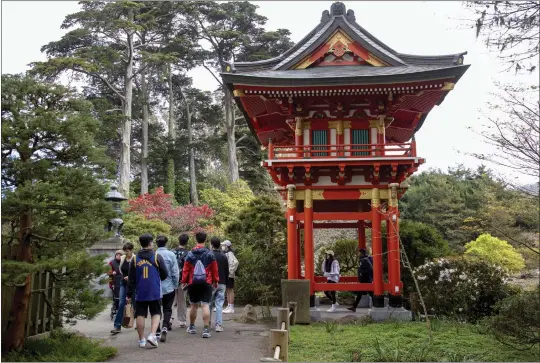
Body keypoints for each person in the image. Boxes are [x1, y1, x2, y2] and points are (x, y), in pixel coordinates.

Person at [127, 233, 168, 348]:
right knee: (156, 313)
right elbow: (165, 274)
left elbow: (131, 279)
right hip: (154, 290)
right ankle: (153, 335)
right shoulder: (156, 256)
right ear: (150, 243)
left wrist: (129, 294)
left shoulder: (135, 259)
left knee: (140, 314)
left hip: (140, 291)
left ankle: (141, 340)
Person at [181, 231, 219, 338]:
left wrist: (184, 281)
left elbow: (185, 269)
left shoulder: (190, 254)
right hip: (206, 281)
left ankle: (192, 327)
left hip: (193, 282)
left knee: (193, 305)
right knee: (205, 305)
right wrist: (215, 281)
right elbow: (214, 269)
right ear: (205, 240)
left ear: (195, 240)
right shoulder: (210, 254)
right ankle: (206, 329)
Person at [155, 235, 179, 343]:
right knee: (167, 308)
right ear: (166, 243)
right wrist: (175, 284)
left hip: (155, 287)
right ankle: (165, 326)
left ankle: (157, 328)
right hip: (168, 287)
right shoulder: (171, 254)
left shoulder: (153, 255)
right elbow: (175, 272)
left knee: (156, 309)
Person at [111, 242, 135, 334]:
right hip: (123, 283)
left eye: (127, 251)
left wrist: (130, 277)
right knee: (121, 303)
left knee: (135, 304)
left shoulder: (135, 258)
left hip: (133, 284)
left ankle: (138, 324)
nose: (126, 253)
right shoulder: (123, 258)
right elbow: (120, 269)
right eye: (125, 251)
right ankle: (117, 326)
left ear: (131, 250)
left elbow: (138, 272)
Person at [209, 237, 228, 332]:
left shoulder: (209, 255)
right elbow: (226, 270)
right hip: (222, 282)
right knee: (219, 304)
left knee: (209, 304)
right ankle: (218, 325)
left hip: (211, 282)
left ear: (212, 245)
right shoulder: (224, 256)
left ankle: (207, 323)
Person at [348, 248, 374, 312]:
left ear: (362, 253)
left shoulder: (364, 260)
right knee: (360, 294)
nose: (358, 254)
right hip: (365, 279)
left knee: (371, 294)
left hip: (366, 280)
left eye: (359, 252)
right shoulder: (364, 259)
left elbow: (370, 269)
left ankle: (377, 305)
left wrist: (362, 272)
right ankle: (354, 307)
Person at [173, 234, 189, 328]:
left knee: (170, 300)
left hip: (171, 280)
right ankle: (182, 320)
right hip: (183, 280)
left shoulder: (172, 252)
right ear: (186, 242)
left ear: (178, 241)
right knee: (182, 301)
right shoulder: (188, 253)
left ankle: (169, 318)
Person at [221, 240, 239, 314]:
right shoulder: (227, 253)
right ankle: (229, 306)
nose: (222, 246)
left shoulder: (230, 253)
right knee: (228, 290)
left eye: (223, 245)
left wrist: (231, 272)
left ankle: (231, 307)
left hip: (229, 275)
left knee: (230, 290)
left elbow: (236, 262)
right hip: (228, 274)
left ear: (227, 246)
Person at [108, 250, 124, 320]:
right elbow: (109, 274)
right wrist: (111, 284)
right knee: (116, 298)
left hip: (123, 282)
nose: (118, 256)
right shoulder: (112, 263)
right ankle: (116, 310)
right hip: (115, 283)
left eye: (120, 255)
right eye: (117, 255)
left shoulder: (124, 262)